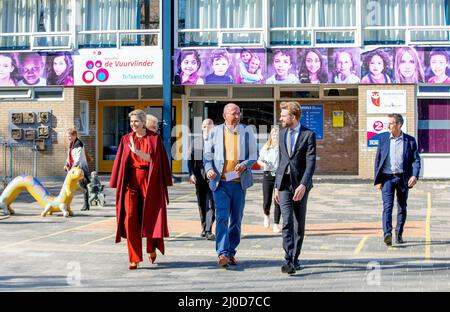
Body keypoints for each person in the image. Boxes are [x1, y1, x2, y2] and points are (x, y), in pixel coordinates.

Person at [110, 109, 173, 270]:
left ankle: (151, 247)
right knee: (130, 218)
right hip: (131, 183)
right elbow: (121, 161)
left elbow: (154, 160)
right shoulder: (125, 139)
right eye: (131, 122)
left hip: (149, 181)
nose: (133, 124)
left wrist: (136, 151)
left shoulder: (154, 139)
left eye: (136, 121)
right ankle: (134, 257)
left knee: (150, 217)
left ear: (144, 122)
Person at [204, 103, 257, 268]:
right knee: (221, 218)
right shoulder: (215, 132)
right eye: (233, 113)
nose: (236, 116)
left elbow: (254, 155)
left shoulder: (246, 131)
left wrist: (245, 164)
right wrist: (209, 169)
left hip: (238, 182)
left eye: (238, 113)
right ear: (225, 115)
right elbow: (207, 156)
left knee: (236, 220)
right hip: (220, 183)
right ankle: (222, 253)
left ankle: (231, 251)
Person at [274, 101, 316, 275]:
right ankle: (288, 259)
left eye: (284, 115)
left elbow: (311, 163)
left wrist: (303, 185)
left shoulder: (308, 135)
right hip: (283, 184)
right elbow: (281, 161)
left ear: (293, 116)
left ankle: (296, 257)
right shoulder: (282, 133)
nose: (281, 118)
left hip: (300, 185)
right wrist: (277, 186)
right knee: (287, 222)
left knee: (299, 225)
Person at [374, 113, 421, 247]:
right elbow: (378, 159)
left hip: (403, 179)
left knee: (402, 207)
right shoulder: (383, 138)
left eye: (391, 123)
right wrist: (378, 180)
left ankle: (399, 234)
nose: (387, 125)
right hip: (387, 178)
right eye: (387, 123)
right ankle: (387, 234)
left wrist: (415, 175)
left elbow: (416, 160)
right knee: (387, 207)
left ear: (399, 125)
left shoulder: (410, 141)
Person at [188, 119, 216, 241]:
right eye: (204, 126)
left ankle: (209, 230)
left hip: (213, 178)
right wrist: (191, 174)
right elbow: (190, 160)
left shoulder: (217, 143)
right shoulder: (196, 142)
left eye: (209, 126)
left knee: (211, 204)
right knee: (201, 203)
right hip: (199, 178)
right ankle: (204, 228)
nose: (206, 128)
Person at [257, 127, 281, 233]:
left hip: (279, 176)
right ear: (271, 136)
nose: (275, 136)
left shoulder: (282, 147)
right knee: (267, 201)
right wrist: (264, 165)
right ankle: (266, 215)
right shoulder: (266, 147)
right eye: (273, 134)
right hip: (267, 176)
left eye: (277, 134)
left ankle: (276, 224)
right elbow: (259, 161)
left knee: (278, 200)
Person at [64, 128, 91, 211]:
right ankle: (67, 203)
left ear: (75, 135)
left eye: (70, 136)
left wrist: (72, 168)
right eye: (68, 136)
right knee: (77, 185)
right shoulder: (71, 144)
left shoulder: (78, 144)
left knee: (83, 185)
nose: (69, 138)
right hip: (74, 169)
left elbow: (78, 159)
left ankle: (86, 204)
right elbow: (69, 156)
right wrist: (66, 164)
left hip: (80, 168)